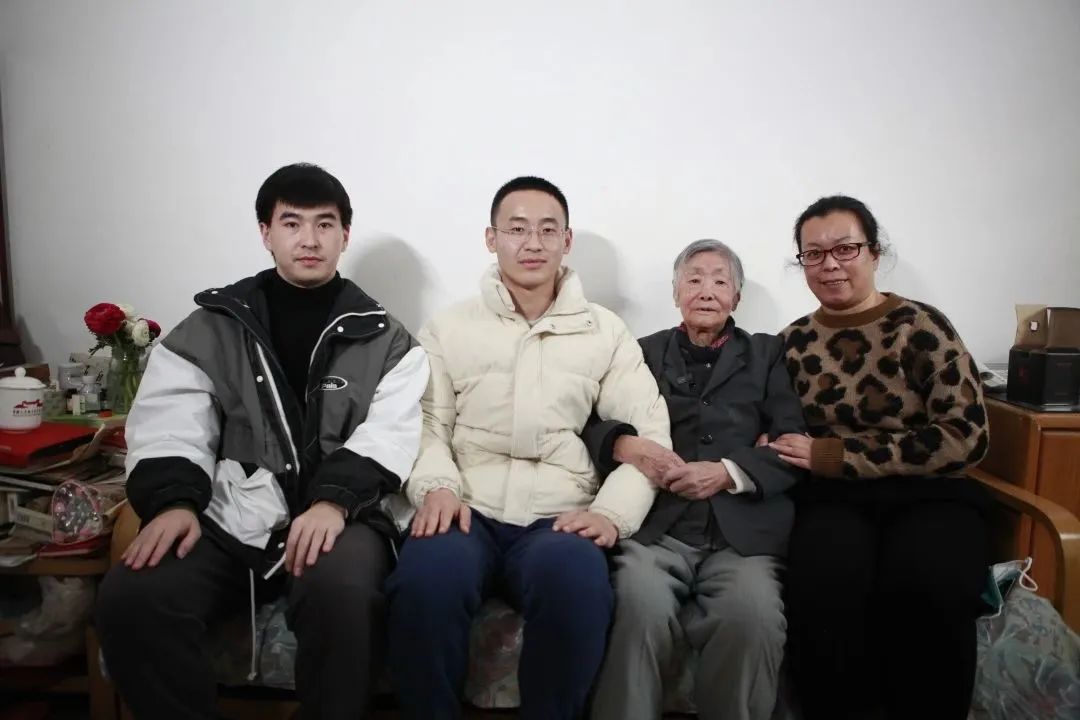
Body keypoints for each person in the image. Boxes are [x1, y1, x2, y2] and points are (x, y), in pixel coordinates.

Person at [94, 163, 429, 720]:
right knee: (133, 597)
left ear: (345, 235)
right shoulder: (211, 327)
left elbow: (391, 432)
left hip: (342, 515)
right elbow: (171, 421)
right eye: (292, 223)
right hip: (232, 510)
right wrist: (174, 502)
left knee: (342, 593)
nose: (309, 240)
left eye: (325, 225)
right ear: (265, 232)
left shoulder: (388, 339)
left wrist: (332, 501)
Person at [385, 176, 671, 720]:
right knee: (424, 583)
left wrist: (611, 514)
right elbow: (426, 422)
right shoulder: (448, 327)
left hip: (558, 516)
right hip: (467, 507)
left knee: (577, 585)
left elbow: (650, 433)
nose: (533, 243)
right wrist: (436, 487)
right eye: (517, 229)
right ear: (491, 239)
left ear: (567, 241)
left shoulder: (604, 332)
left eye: (547, 230)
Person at [774, 195, 990, 720]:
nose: (830, 264)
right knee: (825, 580)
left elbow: (966, 435)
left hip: (930, 493)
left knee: (931, 580)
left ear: (874, 252)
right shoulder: (791, 343)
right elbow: (773, 426)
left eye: (845, 249)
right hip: (832, 499)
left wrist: (837, 454)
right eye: (813, 254)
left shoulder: (922, 326)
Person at [582, 240, 806, 720]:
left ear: (736, 298)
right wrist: (627, 444)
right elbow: (593, 422)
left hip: (740, 537)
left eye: (720, 281)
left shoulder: (767, 354)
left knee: (752, 617)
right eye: (694, 279)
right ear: (676, 292)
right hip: (659, 527)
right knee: (636, 606)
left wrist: (728, 472)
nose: (707, 290)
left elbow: (792, 443)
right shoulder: (641, 352)